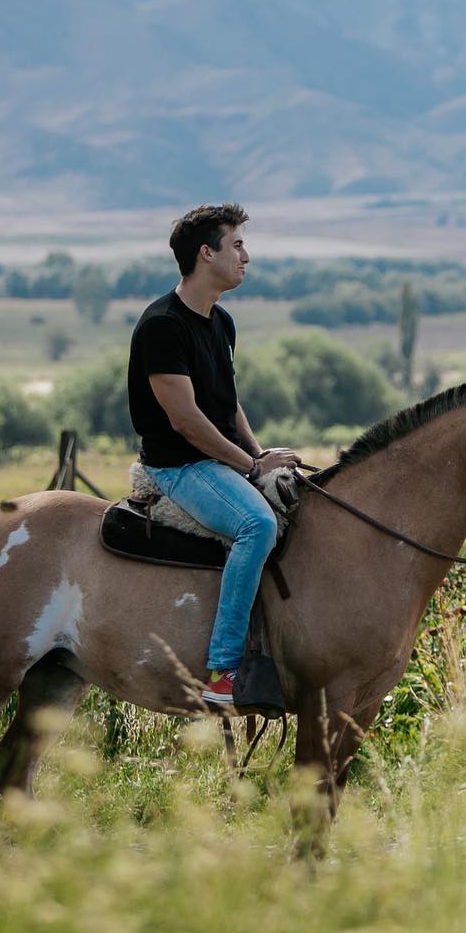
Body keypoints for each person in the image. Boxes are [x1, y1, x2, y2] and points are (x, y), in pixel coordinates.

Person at [127, 203, 299, 704]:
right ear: (207, 254)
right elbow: (186, 421)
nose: (246, 255)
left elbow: (226, 403)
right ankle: (223, 671)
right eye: (237, 245)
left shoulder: (220, 322)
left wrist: (260, 451)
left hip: (218, 458)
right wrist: (250, 467)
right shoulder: (162, 326)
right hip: (178, 467)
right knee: (257, 525)